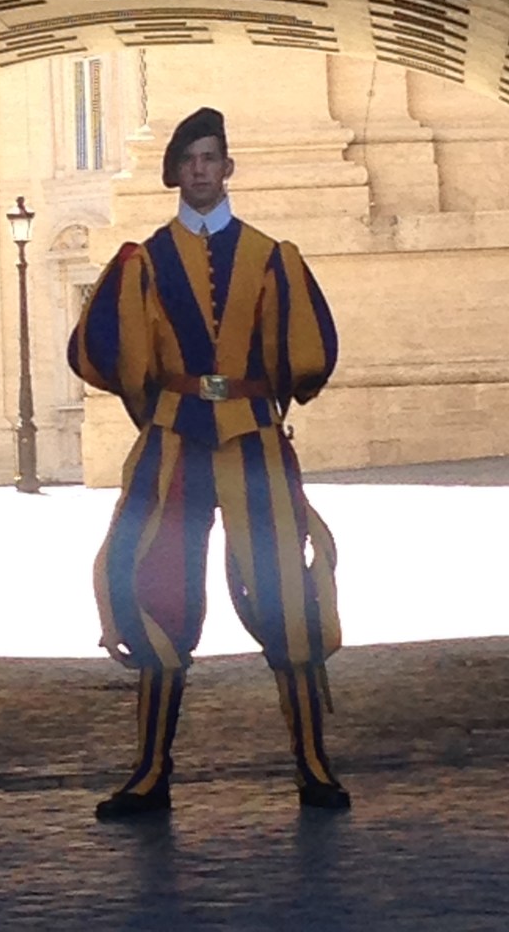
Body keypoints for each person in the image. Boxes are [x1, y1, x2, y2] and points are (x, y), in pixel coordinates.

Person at [67, 106, 349, 820]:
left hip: (253, 437)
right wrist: (161, 406)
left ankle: (314, 764)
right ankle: (148, 772)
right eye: (189, 160)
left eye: (210, 158)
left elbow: (304, 356)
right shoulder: (145, 261)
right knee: (160, 589)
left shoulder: (271, 256)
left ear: (227, 168)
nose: (200, 170)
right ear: (176, 173)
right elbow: (114, 352)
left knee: (285, 591)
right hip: (176, 443)